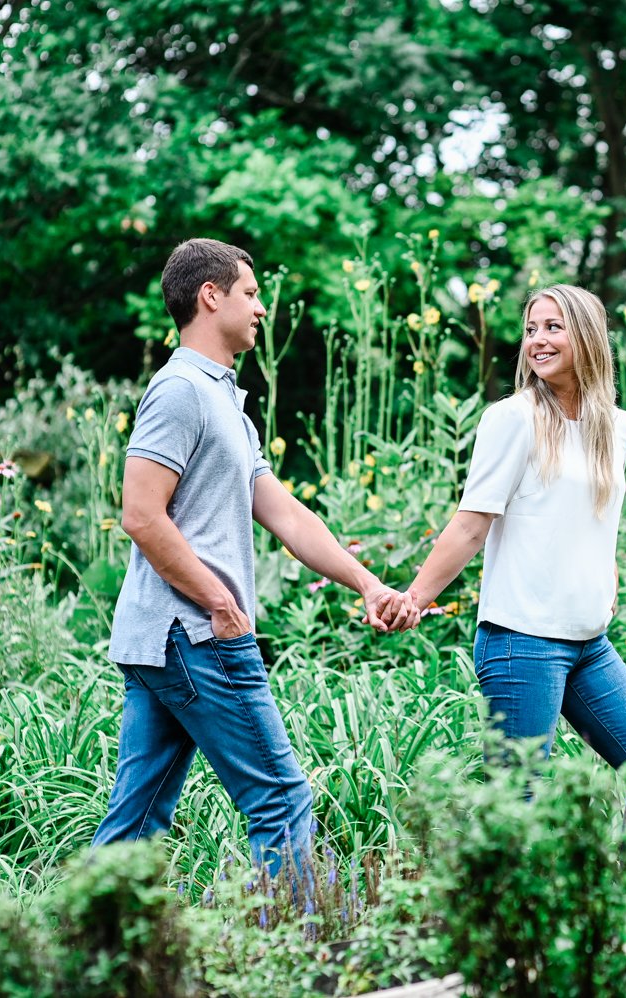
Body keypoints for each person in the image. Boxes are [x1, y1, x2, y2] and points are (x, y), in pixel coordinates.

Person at [93, 238, 418, 872]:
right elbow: (140, 514)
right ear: (210, 297)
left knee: (137, 818)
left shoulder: (226, 402)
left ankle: (85, 956)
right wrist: (219, 601)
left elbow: (287, 515)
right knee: (281, 799)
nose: (262, 307)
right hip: (197, 632)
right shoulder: (181, 390)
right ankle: (292, 958)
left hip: (169, 637)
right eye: (251, 293)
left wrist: (368, 583)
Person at [398, 283, 626, 814]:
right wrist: (416, 597)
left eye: (553, 327)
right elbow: (471, 525)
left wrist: (606, 584)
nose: (537, 341)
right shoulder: (514, 419)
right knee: (519, 807)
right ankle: (494, 899)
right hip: (521, 640)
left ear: (589, 337)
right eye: (531, 329)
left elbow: (599, 521)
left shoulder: (617, 427)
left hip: (589, 642)